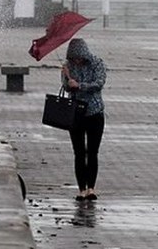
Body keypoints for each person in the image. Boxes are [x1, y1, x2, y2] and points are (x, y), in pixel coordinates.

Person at [61, 38, 107, 201]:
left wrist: (79, 85)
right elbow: (66, 87)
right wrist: (67, 79)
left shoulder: (96, 63)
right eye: (73, 59)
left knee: (92, 152)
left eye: (79, 58)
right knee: (79, 152)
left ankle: (91, 188)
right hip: (76, 114)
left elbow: (99, 83)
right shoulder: (68, 66)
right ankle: (81, 189)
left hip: (95, 113)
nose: (77, 61)